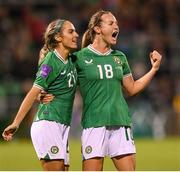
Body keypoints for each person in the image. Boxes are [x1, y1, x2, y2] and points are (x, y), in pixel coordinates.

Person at [40, 10, 162, 171]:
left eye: (117, 24)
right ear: (97, 29)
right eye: (111, 23)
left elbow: (131, 89)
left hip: (120, 123)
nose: (116, 26)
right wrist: (42, 91)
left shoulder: (120, 57)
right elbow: (58, 76)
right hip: (93, 124)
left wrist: (154, 69)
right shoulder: (78, 58)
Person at [2, 19, 79, 171]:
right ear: (58, 37)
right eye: (70, 31)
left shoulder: (71, 60)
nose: (76, 34)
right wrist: (16, 123)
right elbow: (33, 92)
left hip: (62, 124)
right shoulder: (52, 60)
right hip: (48, 123)